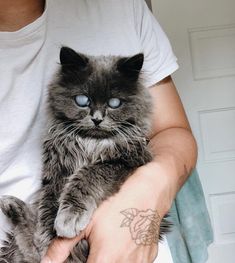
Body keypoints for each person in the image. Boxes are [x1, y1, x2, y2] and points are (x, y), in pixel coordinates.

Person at [0, 0, 198, 262]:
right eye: (84, 103)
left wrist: (149, 192)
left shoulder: (122, 7)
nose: (96, 117)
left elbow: (173, 131)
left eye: (113, 104)